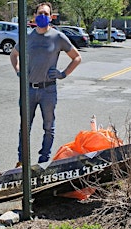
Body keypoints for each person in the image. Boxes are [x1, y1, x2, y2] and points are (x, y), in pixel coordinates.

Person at [10, 2, 82, 167]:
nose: (42, 16)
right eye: (40, 13)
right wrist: (18, 70)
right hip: (28, 89)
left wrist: (63, 74)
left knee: (49, 127)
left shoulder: (58, 37)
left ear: (50, 17)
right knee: (24, 127)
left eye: (46, 13)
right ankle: (22, 161)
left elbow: (77, 57)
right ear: (34, 16)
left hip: (48, 90)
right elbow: (14, 55)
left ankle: (44, 161)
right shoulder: (27, 37)